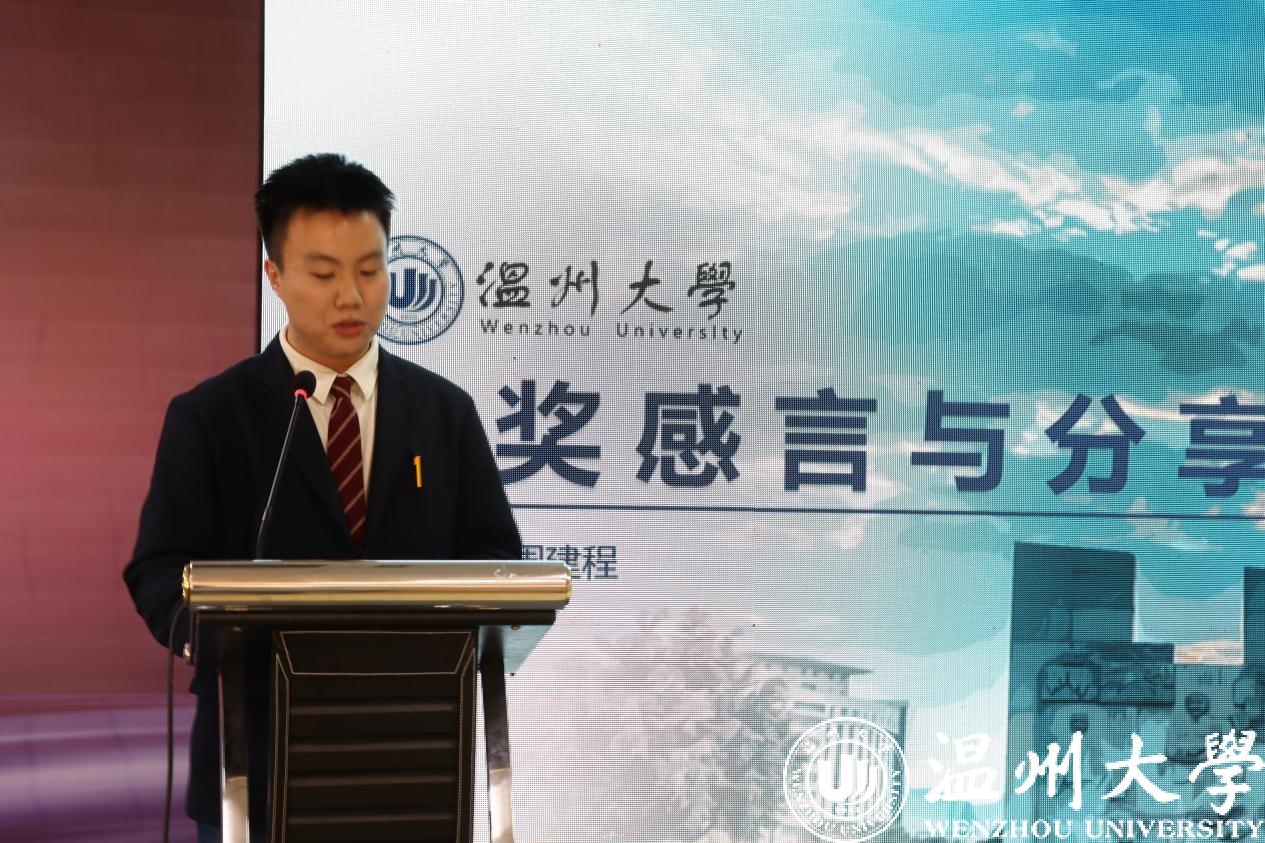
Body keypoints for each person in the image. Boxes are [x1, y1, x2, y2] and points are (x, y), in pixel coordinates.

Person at [123, 153, 521, 841]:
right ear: (275, 275)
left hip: (415, 752)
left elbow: (496, 560)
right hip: (255, 758)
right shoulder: (211, 416)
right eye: (324, 273)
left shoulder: (443, 411)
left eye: (370, 269)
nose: (352, 297)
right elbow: (158, 569)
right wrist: (208, 632)